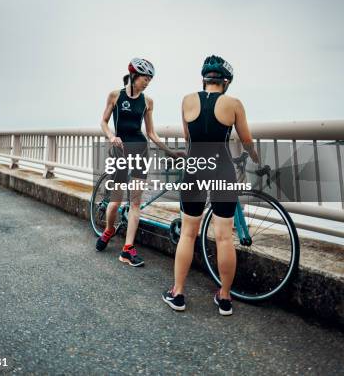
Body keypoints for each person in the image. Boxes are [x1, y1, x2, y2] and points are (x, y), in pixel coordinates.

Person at [162, 55, 259, 314]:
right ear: (225, 82)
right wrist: (257, 161)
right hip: (222, 168)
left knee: (188, 233)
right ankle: (225, 298)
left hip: (195, 168)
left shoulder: (186, 101)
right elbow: (247, 141)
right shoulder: (234, 104)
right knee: (225, 237)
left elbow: (187, 136)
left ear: (204, 79)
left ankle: (178, 293)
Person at [96, 57, 181, 266]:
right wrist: (111, 136)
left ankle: (127, 249)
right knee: (115, 202)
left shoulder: (148, 102)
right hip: (120, 151)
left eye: (150, 79)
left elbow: (151, 132)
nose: (148, 82)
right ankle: (109, 229)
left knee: (135, 203)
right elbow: (103, 122)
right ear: (134, 76)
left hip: (141, 151)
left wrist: (170, 152)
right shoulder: (116, 95)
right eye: (145, 78)